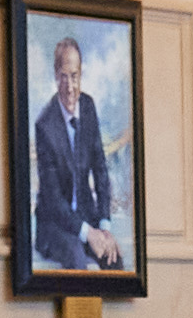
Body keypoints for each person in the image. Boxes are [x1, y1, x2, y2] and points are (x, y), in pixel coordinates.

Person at [16, 36, 126, 279]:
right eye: (63, 77)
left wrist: (104, 228)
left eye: (74, 76)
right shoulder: (45, 125)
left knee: (115, 259)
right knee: (76, 256)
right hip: (54, 226)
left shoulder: (88, 107)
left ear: (81, 74)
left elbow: (101, 170)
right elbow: (54, 200)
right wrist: (89, 233)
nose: (69, 86)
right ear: (56, 76)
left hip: (86, 217)